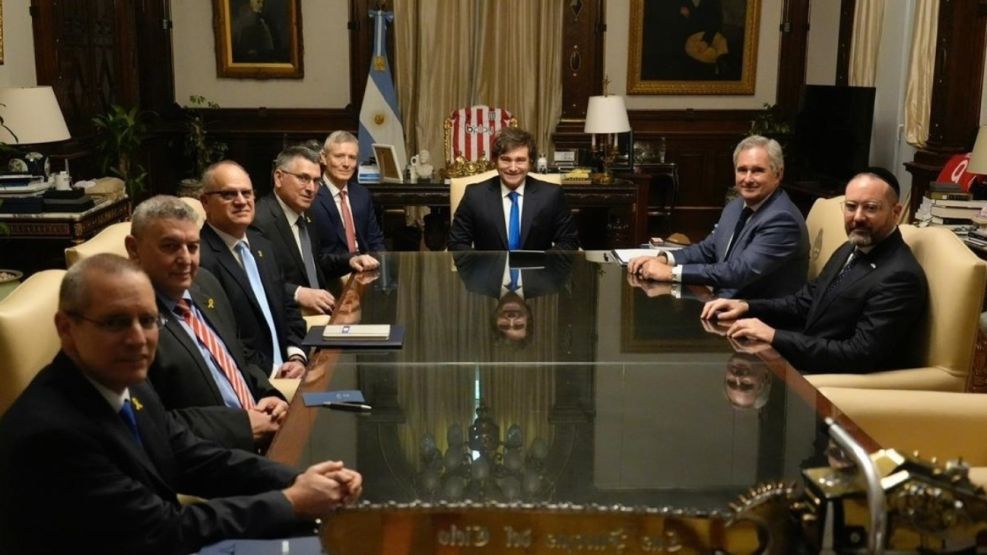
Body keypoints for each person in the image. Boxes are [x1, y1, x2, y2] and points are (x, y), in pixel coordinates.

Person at [0, 254, 362, 554]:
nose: (138, 339)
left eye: (148, 320)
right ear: (66, 328)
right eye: (115, 323)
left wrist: (299, 478)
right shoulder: (51, 434)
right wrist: (291, 501)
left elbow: (192, 456)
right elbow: (162, 530)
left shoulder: (124, 379)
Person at [702, 168, 929, 373]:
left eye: (870, 208)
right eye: (851, 207)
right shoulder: (852, 247)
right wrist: (746, 305)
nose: (858, 217)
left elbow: (858, 354)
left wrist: (774, 336)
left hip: (830, 382)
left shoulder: (900, 276)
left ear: (896, 212)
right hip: (805, 360)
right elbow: (805, 302)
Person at [126, 195, 287, 451]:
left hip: (265, 435)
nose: (186, 259)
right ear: (134, 249)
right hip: (213, 458)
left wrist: (268, 394)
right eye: (170, 246)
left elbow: (239, 356)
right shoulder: (128, 324)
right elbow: (147, 421)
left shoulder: (206, 283)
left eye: (193, 247)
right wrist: (241, 427)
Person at [628, 135, 808, 299]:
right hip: (723, 303)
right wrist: (664, 258)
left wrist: (671, 273)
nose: (747, 178)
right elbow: (708, 249)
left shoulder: (782, 219)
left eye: (757, 171)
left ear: (778, 174)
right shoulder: (736, 206)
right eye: (742, 170)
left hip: (759, 318)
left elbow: (739, 272)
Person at [198, 160, 308, 379]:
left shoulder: (262, 244)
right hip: (253, 380)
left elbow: (287, 307)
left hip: (291, 367)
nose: (241, 201)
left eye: (247, 193)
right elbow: (223, 336)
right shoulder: (199, 259)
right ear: (205, 201)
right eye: (229, 194)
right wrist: (274, 371)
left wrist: (296, 355)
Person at [254, 145, 379, 316]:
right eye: (303, 178)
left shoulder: (308, 213)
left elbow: (316, 262)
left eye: (316, 181)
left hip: (323, 307)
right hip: (289, 314)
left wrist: (350, 260)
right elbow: (256, 280)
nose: (311, 188)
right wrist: (298, 293)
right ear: (278, 177)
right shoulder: (260, 220)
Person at [448, 127, 580, 251]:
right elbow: (457, 243)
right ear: (495, 161)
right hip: (489, 273)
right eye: (506, 159)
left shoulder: (551, 195)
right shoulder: (475, 195)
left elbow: (569, 241)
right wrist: (480, 270)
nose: (512, 167)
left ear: (531, 163)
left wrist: (544, 268)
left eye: (520, 160)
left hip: (538, 273)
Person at [453, 251, 573, 344]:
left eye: (504, 325)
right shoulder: (550, 281)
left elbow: (461, 237)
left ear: (494, 318)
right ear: (528, 318)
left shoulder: (474, 281)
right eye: (518, 325)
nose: (511, 319)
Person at [310, 131, 387, 261]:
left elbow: (375, 241)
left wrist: (382, 267)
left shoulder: (362, 194)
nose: (346, 164)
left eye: (352, 157)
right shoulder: (311, 195)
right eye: (339, 156)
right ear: (323, 158)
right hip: (331, 272)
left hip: (367, 268)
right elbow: (314, 253)